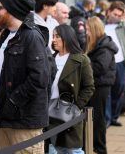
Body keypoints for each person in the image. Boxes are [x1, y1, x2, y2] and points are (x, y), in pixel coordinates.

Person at [0, 0, 50, 153]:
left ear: (12, 10)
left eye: (0, 8)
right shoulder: (6, 35)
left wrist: (12, 102)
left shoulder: (32, 37)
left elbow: (39, 78)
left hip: (24, 123)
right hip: (2, 118)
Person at [48, 24, 94, 154]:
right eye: (53, 36)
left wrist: (76, 107)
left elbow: (89, 87)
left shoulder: (81, 60)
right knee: (52, 149)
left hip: (69, 114)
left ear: (67, 38)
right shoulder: (50, 58)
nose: (54, 40)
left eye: (57, 36)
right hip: (49, 113)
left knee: (72, 150)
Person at [86, 17, 117, 154]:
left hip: (101, 86)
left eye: (88, 29)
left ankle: (100, 148)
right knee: (95, 118)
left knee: (98, 119)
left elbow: (99, 68)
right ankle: (94, 145)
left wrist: (84, 65)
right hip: (97, 85)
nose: (86, 32)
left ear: (94, 30)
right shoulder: (96, 44)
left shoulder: (105, 47)